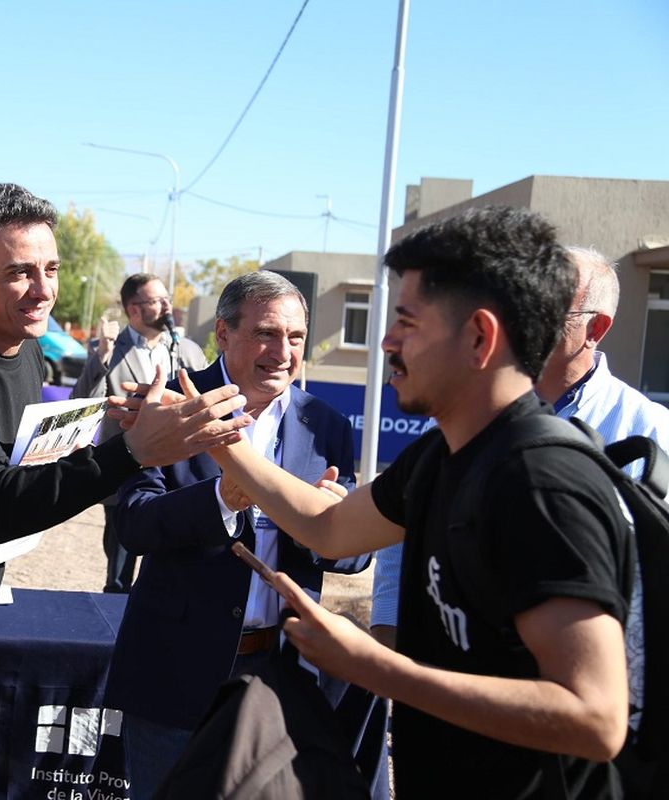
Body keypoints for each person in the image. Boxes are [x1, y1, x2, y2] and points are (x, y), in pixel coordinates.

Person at [0, 182, 251, 799]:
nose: (45, 289)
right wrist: (133, 453)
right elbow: (1, 504)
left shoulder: (23, 347)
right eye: (20, 273)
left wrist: (113, 428)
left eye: (51, 268)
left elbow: (23, 463)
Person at [196, 207, 633, 798]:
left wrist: (375, 667)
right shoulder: (441, 457)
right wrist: (213, 433)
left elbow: (595, 718)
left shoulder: (542, 483)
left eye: (407, 322)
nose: (386, 343)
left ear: (479, 336)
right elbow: (327, 526)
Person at [369, 243, 669, 794]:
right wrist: (389, 631)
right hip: (453, 727)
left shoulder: (651, 433)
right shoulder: (476, 409)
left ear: (594, 328)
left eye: (539, 305)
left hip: (572, 754)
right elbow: (394, 526)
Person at [104, 270, 373, 798]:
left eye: (295, 338)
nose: (282, 351)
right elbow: (135, 522)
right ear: (223, 334)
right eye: (266, 333)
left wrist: (337, 527)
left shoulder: (327, 426)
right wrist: (222, 500)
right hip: (176, 672)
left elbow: (352, 559)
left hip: (281, 675)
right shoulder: (167, 407)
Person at [70, 273, 209, 592]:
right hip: (124, 468)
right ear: (134, 309)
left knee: (172, 564)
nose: (167, 307)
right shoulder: (107, 349)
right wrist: (101, 355)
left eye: (167, 299)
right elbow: (82, 401)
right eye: (157, 301)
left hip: (179, 470)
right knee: (119, 568)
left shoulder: (186, 350)